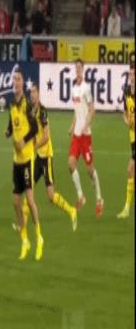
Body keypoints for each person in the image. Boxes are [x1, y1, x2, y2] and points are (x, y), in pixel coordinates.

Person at [5, 69, 43, 261]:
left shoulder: (27, 105)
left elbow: (35, 128)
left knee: (29, 198)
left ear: (22, 83)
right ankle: (25, 240)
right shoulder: (12, 104)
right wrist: (8, 132)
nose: (16, 82)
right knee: (15, 202)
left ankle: (39, 236)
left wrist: (24, 141)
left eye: (19, 79)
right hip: (16, 160)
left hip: (27, 158)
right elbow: (12, 124)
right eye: (14, 79)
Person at [29, 83, 77, 230]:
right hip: (38, 157)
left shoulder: (42, 112)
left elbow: (46, 136)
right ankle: (21, 223)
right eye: (30, 92)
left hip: (46, 157)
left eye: (34, 92)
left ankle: (71, 210)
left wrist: (34, 147)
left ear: (38, 94)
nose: (32, 95)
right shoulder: (31, 111)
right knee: (28, 187)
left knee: (51, 196)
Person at [68, 59, 104, 217]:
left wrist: (85, 125)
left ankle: (99, 199)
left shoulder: (86, 88)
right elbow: (77, 111)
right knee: (71, 164)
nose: (77, 70)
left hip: (85, 135)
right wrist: (73, 125)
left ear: (83, 70)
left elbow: (92, 110)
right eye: (76, 68)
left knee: (90, 170)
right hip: (76, 135)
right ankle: (81, 197)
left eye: (79, 68)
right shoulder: (74, 88)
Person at [118, 63, 135, 218]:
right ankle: (127, 208)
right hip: (132, 136)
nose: (132, 76)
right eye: (130, 73)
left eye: (133, 73)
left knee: (130, 169)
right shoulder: (127, 92)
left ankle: (127, 208)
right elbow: (124, 113)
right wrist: (127, 122)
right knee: (131, 171)